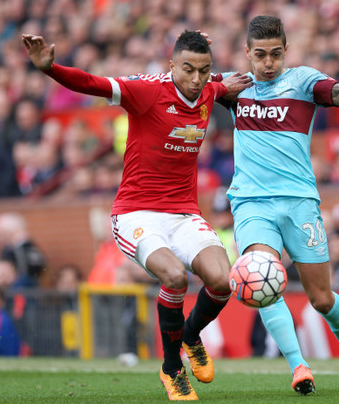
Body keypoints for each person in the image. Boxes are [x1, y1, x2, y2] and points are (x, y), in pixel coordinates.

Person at [23, 30, 251, 401]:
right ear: (172, 65)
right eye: (188, 70)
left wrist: (236, 79)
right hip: (135, 212)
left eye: (204, 71)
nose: (196, 80)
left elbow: (225, 84)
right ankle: (172, 369)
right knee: (175, 277)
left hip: (182, 213)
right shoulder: (146, 91)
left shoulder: (210, 88)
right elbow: (93, 84)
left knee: (222, 281)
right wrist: (51, 70)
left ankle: (191, 336)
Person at [217, 16, 339, 394]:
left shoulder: (303, 82)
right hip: (251, 202)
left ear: (286, 50)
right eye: (260, 55)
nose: (268, 63)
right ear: (247, 53)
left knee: (320, 299)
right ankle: (298, 367)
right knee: (258, 277)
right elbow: (180, 88)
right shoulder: (232, 88)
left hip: (299, 202)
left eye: (275, 54)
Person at [0, 212, 47, 286]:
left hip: (23, 288)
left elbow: (37, 269)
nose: (0, 239)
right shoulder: (29, 247)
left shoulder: (20, 249)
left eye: (2, 234)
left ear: (11, 232)